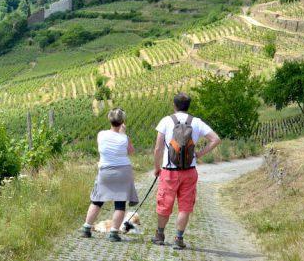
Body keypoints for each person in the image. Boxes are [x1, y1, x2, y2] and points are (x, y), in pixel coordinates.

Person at [152, 92, 221, 250]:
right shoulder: (196, 122)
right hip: (189, 171)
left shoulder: (166, 121)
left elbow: (158, 148)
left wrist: (157, 168)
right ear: (188, 106)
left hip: (169, 170)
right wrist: (199, 154)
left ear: (174, 105)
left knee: (164, 203)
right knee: (185, 206)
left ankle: (160, 236)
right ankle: (179, 238)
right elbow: (216, 139)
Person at [81, 108, 139, 242]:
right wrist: (123, 134)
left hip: (105, 171)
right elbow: (131, 152)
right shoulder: (124, 138)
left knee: (97, 201)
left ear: (109, 119)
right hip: (123, 172)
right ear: (122, 121)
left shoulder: (101, 134)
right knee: (120, 203)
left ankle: (86, 228)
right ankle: (113, 233)